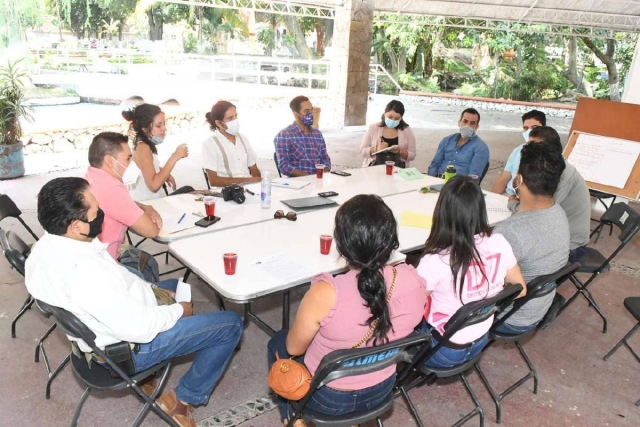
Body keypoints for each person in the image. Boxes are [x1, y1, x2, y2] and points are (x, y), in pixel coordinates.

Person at [25, 177, 243, 427]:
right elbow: (141, 328)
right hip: (128, 349)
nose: (101, 215)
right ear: (75, 225)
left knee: (174, 287)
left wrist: (152, 291)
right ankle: (183, 401)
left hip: (106, 329)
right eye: (96, 212)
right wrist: (177, 311)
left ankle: (151, 376)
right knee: (230, 325)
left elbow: (116, 279)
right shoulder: (86, 275)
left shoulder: (46, 248)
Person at [267, 194, 426, 425]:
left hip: (326, 399)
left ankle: (292, 418)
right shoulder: (413, 280)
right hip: (381, 391)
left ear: (341, 245)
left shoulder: (326, 293)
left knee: (278, 343)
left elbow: (294, 347)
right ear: (391, 241)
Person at [416, 176, 526, 367]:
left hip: (443, 350)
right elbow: (521, 289)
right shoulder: (499, 242)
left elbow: (410, 311)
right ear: (480, 210)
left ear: (442, 212)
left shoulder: (436, 260)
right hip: (480, 341)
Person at [495, 142, 570, 333]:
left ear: (518, 179)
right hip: (536, 309)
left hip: (510, 318)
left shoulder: (509, 232)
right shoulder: (558, 212)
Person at [506, 126, 590, 263]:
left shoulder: (562, 175)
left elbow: (539, 213)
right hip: (553, 234)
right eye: (529, 146)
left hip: (570, 245)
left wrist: (514, 205)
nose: (530, 151)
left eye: (536, 146)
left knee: (508, 257)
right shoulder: (544, 168)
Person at [85, 132, 163, 260]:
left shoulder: (92, 176)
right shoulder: (112, 189)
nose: (132, 162)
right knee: (147, 261)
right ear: (110, 161)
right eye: (128, 158)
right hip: (108, 263)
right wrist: (148, 210)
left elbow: (116, 206)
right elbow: (152, 231)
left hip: (92, 258)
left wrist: (144, 207)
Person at [121, 103, 193, 201]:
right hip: (151, 204)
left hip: (153, 201)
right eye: (158, 125)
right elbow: (154, 186)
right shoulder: (143, 148)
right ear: (145, 129)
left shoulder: (141, 145)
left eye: (164, 124)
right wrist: (174, 157)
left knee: (189, 190)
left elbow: (145, 166)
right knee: (191, 192)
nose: (164, 129)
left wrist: (162, 171)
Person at [202, 100, 262, 187]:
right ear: (219, 123)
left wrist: (256, 184)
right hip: (227, 193)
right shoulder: (210, 144)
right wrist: (248, 180)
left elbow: (254, 170)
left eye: (236, 116)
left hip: (249, 189)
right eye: (230, 118)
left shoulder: (243, 139)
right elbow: (214, 181)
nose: (235, 121)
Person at [274, 95, 332, 177]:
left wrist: (324, 172)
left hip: (319, 180)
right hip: (298, 183)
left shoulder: (317, 134)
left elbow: (325, 158)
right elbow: (284, 166)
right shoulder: (284, 135)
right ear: (295, 114)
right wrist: (309, 177)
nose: (311, 114)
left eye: (311, 110)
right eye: (306, 111)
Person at [492, 110, 546, 195]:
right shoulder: (517, 151)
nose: (529, 132)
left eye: (534, 127)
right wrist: (491, 200)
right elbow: (503, 179)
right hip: (509, 195)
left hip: (528, 203)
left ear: (544, 129)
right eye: (526, 128)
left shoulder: (550, 155)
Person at [427, 108, 489, 178]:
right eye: (465, 121)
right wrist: (431, 180)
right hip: (438, 180)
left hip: (459, 185)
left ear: (477, 127)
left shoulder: (481, 148)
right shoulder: (447, 140)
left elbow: (473, 177)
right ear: (459, 123)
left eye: (472, 123)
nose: (468, 125)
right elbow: (435, 165)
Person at [359, 100, 417, 167]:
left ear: (401, 118)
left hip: (397, 170)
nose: (393, 120)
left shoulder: (406, 130)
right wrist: (377, 148)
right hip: (374, 169)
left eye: (397, 118)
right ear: (384, 114)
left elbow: (412, 155)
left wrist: (400, 151)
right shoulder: (373, 128)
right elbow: (362, 151)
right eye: (390, 117)